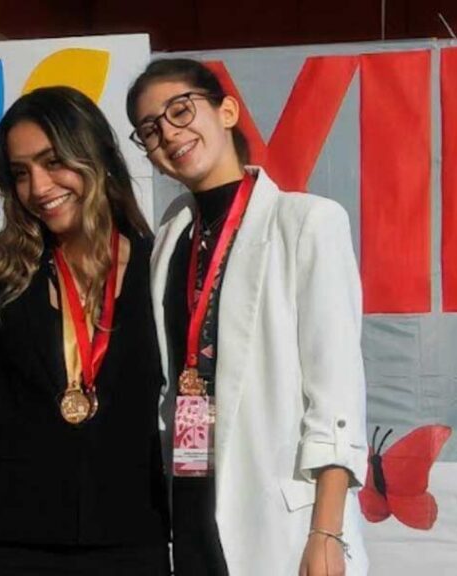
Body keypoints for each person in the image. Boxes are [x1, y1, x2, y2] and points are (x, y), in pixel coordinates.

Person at [0, 86, 170, 576]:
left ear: (95, 155)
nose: (39, 187)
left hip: (131, 540)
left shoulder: (160, 267)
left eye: (53, 162)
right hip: (7, 544)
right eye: (21, 173)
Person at [126, 58, 369, 576]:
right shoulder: (171, 234)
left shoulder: (306, 223)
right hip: (191, 504)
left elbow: (337, 395)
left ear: (227, 111)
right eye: (150, 129)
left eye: (180, 110)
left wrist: (327, 532)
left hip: (281, 521)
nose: (169, 133)